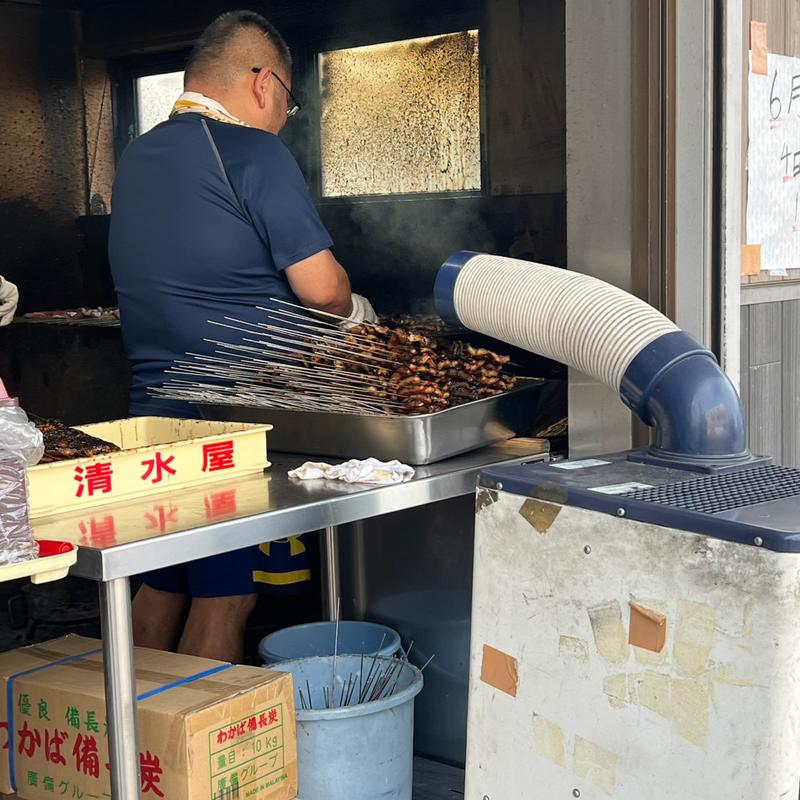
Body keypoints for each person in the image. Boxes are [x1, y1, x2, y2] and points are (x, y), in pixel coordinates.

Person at [109, 10, 376, 662]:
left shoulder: (138, 156)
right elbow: (321, 289)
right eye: (289, 98)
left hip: (154, 418)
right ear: (263, 82)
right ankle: (195, 759)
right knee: (226, 597)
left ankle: (142, 748)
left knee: (165, 582)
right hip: (228, 419)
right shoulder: (253, 150)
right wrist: (356, 312)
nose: (287, 116)